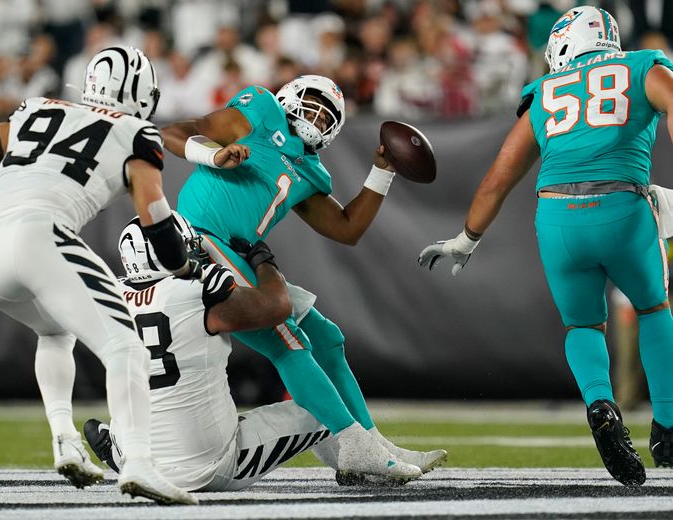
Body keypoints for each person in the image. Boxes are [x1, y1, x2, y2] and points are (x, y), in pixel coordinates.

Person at [0, 45, 202, 505]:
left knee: (56, 330)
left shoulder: (36, 110)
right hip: (39, 236)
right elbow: (156, 219)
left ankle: (65, 439)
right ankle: (139, 462)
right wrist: (183, 266)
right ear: (141, 93)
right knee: (125, 345)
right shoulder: (136, 132)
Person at [418, 6, 673, 486]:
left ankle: (601, 404)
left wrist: (465, 240)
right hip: (623, 208)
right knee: (654, 309)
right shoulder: (643, 66)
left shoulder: (546, 93)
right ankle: (669, 426)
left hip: (556, 220)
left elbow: (498, 177)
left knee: (582, 324)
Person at [162, 74, 446, 483]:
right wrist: (214, 155)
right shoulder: (258, 113)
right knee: (288, 340)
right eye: (312, 103)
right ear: (288, 98)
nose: (317, 116)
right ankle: (354, 446)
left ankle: (369, 442)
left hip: (239, 254)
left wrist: (382, 171)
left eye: (328, 114)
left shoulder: (310, 170)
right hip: (199, 240)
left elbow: (347, 228)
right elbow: (175, 131)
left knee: (327, 337)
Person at [83, 215, 340, 490]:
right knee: (328, 403)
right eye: (182, 244)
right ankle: (356, 462)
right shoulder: (199, 293)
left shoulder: (109, 296)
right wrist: (264, 262)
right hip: (208, 466)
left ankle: (119, 451)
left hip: (136, 458)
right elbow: (277, 306)